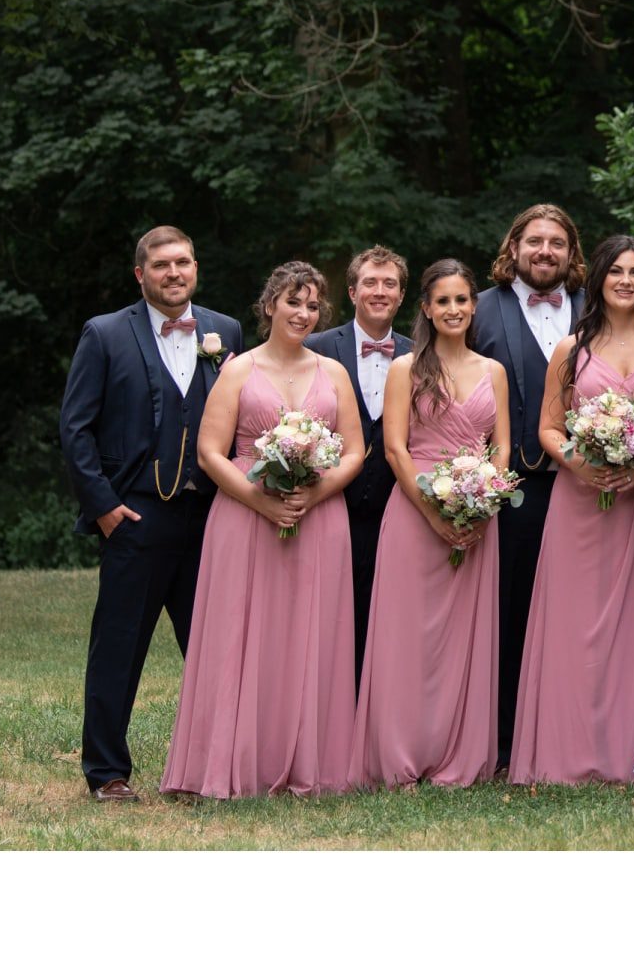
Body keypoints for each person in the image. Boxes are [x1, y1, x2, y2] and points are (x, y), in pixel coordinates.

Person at [159, 261, 363, 798]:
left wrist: (314, 492)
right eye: (293, 301)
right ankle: (233, 762)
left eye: (313, 305)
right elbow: (209, 451)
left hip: (319, 519)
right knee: (240, 636)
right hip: (245, 518)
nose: (303, 313)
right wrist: (260, 501)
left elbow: (356, 451)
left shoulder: (333, 373)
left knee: (310, 636)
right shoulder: (238, 371)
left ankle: (307, 761)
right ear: (269, 305)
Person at [59, 225, 244, 803]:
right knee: (118, 649)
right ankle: (107, 773)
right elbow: (75, 428)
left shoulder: (225, 331)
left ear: (196, 268)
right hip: (134, 518)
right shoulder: (105, 333)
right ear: (141, 274)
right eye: (161, 265)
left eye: (183, 263)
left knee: (215, 652)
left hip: (210, 520)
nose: (174, 273)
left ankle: (210, 772)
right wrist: (105, 507)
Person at [509, 235, 634, 784]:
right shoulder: (570, 349)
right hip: (578, 502)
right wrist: (580, 464)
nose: (626, 281)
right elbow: (548, 428)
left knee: (631, 625)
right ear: (598, 278)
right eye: (616, 271)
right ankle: (563, 751)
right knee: (573, 628)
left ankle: (628, 751)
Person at [351, 260, 513, 788]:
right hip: (414, 512)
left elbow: (503, 448)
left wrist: (484, 502)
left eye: (463, 300)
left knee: (460, 640)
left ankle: (457, 755)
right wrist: (432, 513)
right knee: (407, 637)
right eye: (443, 301)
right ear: (425, 308)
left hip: (475, 518)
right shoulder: (405, 369)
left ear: (474, 306)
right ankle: (398, 754)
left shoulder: (494, 372)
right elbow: (395, 449)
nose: (454, 310)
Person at [472, 204, 586, 767]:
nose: (546, 252)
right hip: (507, 493)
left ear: (572, 253)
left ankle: (568, 733)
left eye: (557, 243)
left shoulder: (601, 311)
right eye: (534, 241)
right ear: (513, 246)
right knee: (507, 615)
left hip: (589, 493)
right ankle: (501, 741)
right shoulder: (476, 310)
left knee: (576, 617)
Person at [306, 245, 412, 690]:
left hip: (398, 505)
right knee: (328, 616)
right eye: (370, 282)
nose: (379, 291)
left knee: (388, 619)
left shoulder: (420, 352)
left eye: (389, 283)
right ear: (352, 291)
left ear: (402, 295)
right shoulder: (314, 348)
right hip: (330, 505)